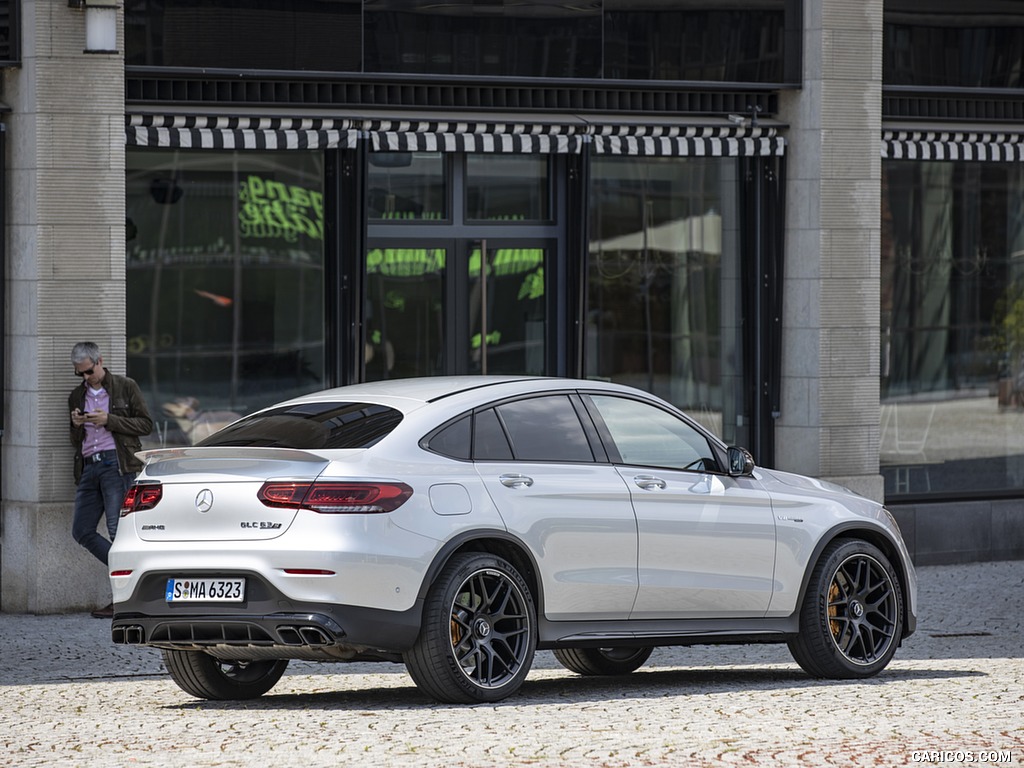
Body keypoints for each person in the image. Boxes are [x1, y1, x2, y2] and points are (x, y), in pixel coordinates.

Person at [68, 342, 153, 618]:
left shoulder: (125, 386)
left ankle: (125, 599)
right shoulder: (76, 396)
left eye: (88, 371)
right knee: (81, 530)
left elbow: (145, 424)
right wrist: (76, 424)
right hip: (88, 467)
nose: (85, 378)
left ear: (100, 361)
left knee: (118, 531)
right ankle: (135, 576)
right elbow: (74, 441)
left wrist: (109, 419)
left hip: (115, 464)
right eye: (79, 373)